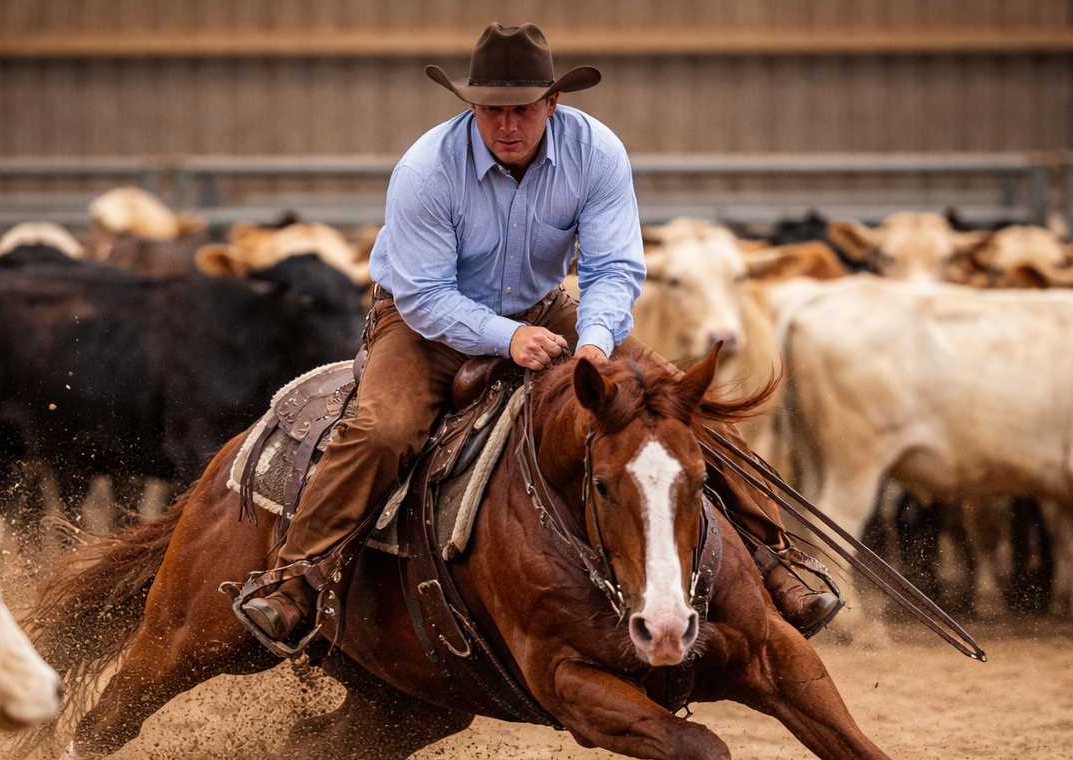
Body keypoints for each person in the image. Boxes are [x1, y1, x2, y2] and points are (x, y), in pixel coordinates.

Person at [242, 22, 840, 644]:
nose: (506, 125)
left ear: (553, 104)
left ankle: (777, 560)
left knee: (677, 405)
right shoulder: (426, 169)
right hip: (424, 324)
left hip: (545, 305)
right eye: (491, 110)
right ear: (471, 107)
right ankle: (297, 577)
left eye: (522, 109)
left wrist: (596, 339)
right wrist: (506, 338)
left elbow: (612, 268)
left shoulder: (596, 151)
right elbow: (423, 295)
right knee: (384, 428)